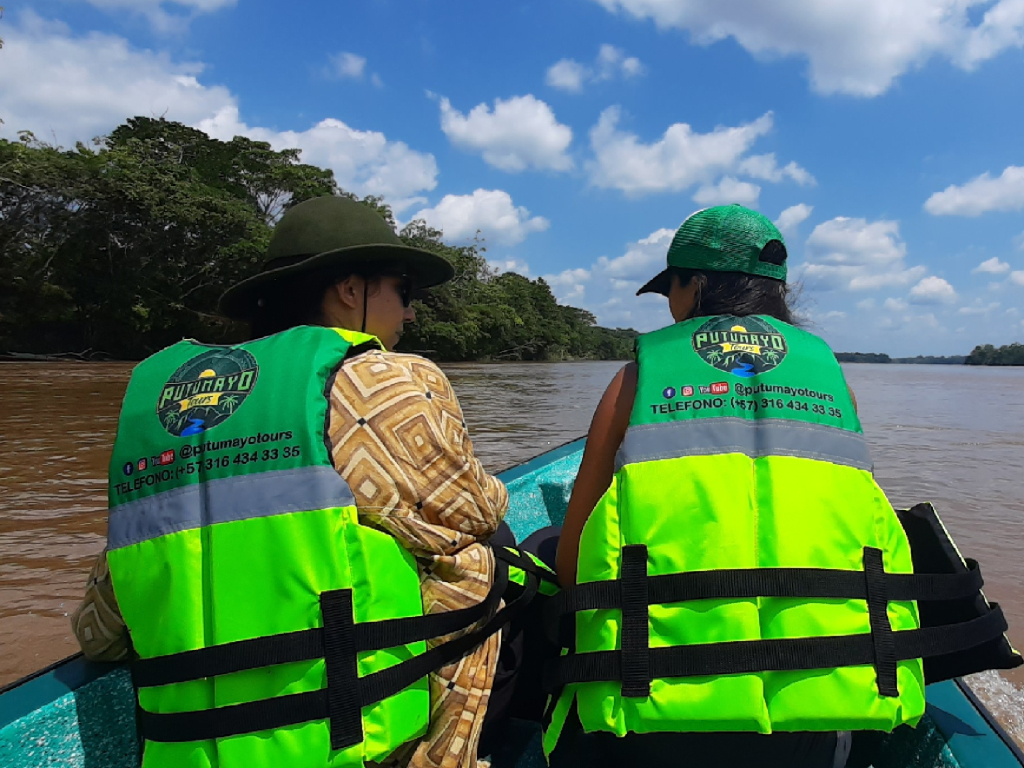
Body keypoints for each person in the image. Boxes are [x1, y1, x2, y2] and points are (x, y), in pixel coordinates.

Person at [71, 195, 542, 768]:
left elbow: (98, 631)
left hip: (185, 746)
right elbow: (473, 510)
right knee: (494, 556)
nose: (412, 313)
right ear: (350, 289)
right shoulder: (379, 378)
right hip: (352, 737)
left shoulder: (163, 405)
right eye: (403, 291)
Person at [538, 205, 1002, 768]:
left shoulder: (636, 377)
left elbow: (572, 570)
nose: (669, 305)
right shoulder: (833, 381)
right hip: (818, 720)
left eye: (671, 289)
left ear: (697, 285)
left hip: (648, 710)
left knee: (542, 551)